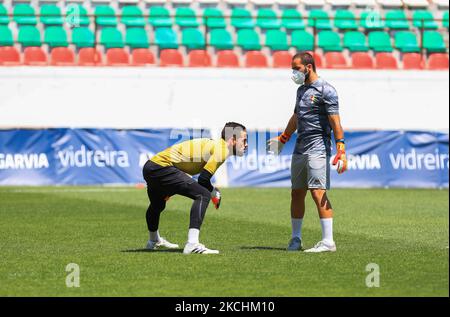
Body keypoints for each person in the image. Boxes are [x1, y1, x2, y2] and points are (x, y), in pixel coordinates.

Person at [267, 52, 348, 253]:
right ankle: (296, 239)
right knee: (296, 193)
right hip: (300, 148)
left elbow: (335, 121)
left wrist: (341, 148)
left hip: (319, 148)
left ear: (308, 67)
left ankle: (328, 242)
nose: (293, 72)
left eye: (296, 68)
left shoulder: (326, 90)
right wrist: (283, 138)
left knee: (318, 192)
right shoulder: (301, 90)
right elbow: (296, 116)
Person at [143, 122, 248, 254]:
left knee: (157, 205)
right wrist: (213, 192)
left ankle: (154, 241)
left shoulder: (217, 146)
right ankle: (192, 244)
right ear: (232, 140)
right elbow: (203, 179)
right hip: (163, 167)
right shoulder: (222, 149)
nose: (246, 144)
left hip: (151, 167)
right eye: (244, 140)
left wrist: (213, 191)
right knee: (203, 195)